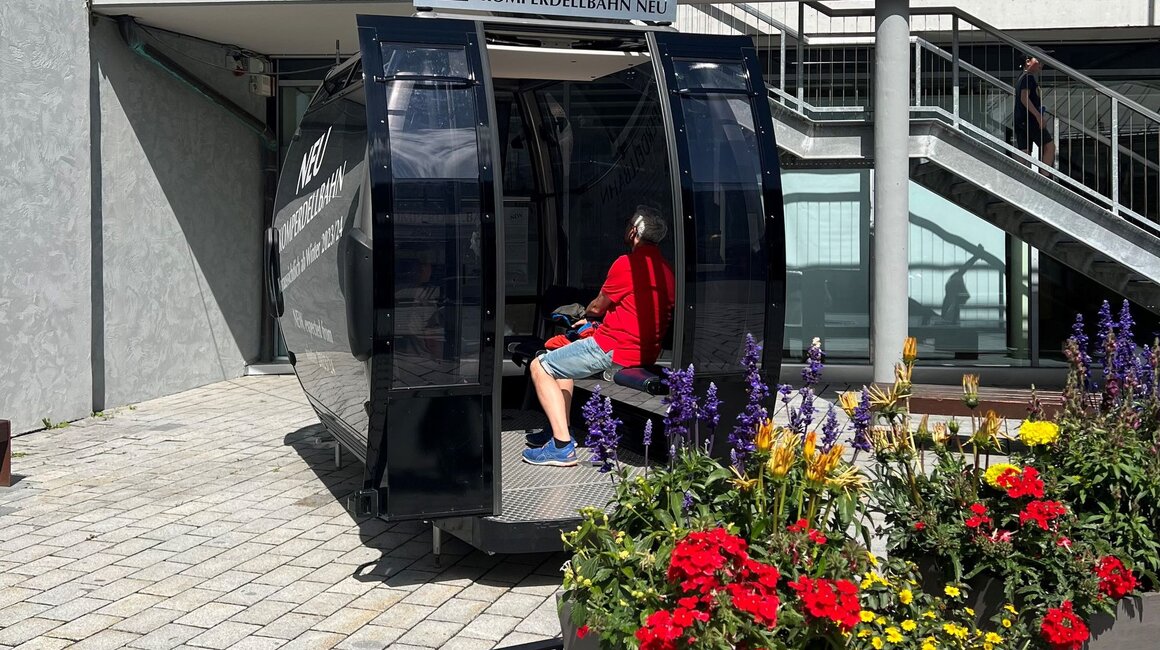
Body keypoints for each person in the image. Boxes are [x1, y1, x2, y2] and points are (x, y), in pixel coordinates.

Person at [521, 206, 675, 467]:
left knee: (540, 366)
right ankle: (559, 430)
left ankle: (562, 447)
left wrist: (588, 316)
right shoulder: (666, 270)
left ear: (634, 232)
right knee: (559, 362)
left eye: (628, 224)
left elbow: (597, 307)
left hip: (614, 346)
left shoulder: (628, 263)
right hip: (644, 350)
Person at [1013, 55, 1055, 173]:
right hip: (1030, 120)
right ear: (1028, 62)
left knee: (1025, 152)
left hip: (1021, 119)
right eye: (1038, 61)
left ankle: (1015, 176)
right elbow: (1024, 98)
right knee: (1049, 146)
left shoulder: (1021, 77)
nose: (1041, 65)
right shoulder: (1028, 78)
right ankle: (1044, 177)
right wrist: (1038, 116)